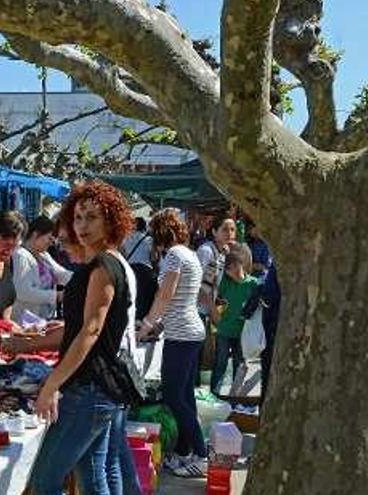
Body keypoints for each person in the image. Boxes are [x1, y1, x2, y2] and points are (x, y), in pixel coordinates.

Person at [29, 181, 136, 495]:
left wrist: (52, 385)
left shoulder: (104, 265)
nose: (83, 225)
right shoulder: (101, 262)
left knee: (45, 479)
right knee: (92, 477)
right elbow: (81, 328)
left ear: (110, 220)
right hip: (97, 389)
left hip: (90, 389)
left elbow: (90, 331)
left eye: (92, 217)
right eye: (78, 218)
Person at [137, 208, 208, 477]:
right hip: (189, 332)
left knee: (174, 396)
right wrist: (157, 324)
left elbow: (165, 296)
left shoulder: (174, 256)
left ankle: (201, 455)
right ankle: (183, 452)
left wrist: (146, 324)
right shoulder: (189, 254)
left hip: (181, 335)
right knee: (185, 396)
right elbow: (181, 299)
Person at [210, 243, 259, 396]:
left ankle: (236, 396)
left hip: (242, 333)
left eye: (233, 268)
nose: (231, 273)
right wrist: (216, 320)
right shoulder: (225, 282)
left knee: (240, 366)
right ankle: (214, 394)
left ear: (241, 264)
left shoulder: (253, 284)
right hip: (224, 330)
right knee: (220, 364)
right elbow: (218, 302)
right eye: (228, 270)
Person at [243, 220, 281, 404]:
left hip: (273, 326)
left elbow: (269, 294)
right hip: (277, 326)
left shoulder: (277, 262)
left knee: (269, 378)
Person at [12, 215, 72, 323]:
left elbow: (62, 274)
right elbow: (23, 292)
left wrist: (85, 277)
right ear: (35, 234)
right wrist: (56, 296)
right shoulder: (21, 255)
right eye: (49, 238)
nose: (51, 243)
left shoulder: (44, 255)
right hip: (24, 322)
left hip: (42, 319)